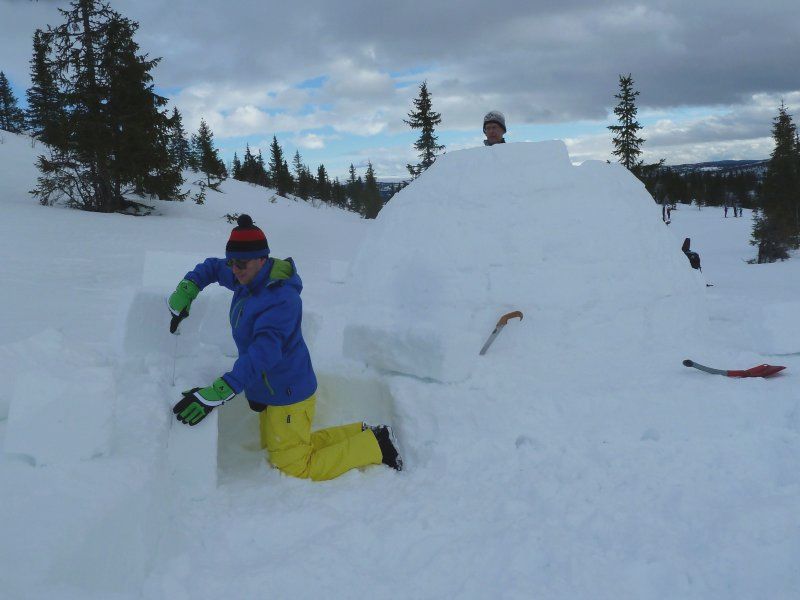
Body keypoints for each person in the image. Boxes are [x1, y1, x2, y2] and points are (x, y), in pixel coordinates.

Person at [167, 214, 402, 479]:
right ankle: (365, 432)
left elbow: (263, 353)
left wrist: (221, 390)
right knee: (284, 447)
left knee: (295, 465)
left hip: (288, 392)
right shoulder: (245, 276)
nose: (234, 269)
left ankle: (378, 446)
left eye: (241, 263)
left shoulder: (280, 299)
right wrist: (188, 288)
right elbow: (212, 267)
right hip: (271, 387)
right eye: (232, 262)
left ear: (262, 260)